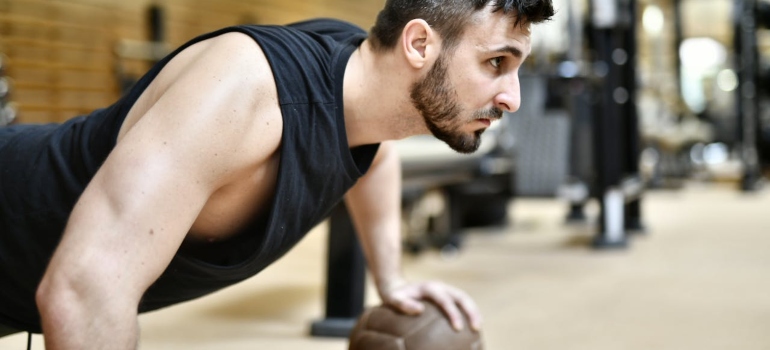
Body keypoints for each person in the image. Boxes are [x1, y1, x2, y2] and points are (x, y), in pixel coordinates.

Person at [0, 0, 554, 348]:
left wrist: (392, 280)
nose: (513, 97)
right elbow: (83, 289)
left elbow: (374, 156)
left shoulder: (361, 85)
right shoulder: (242, 91)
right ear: (418, 43)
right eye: (495, 64)